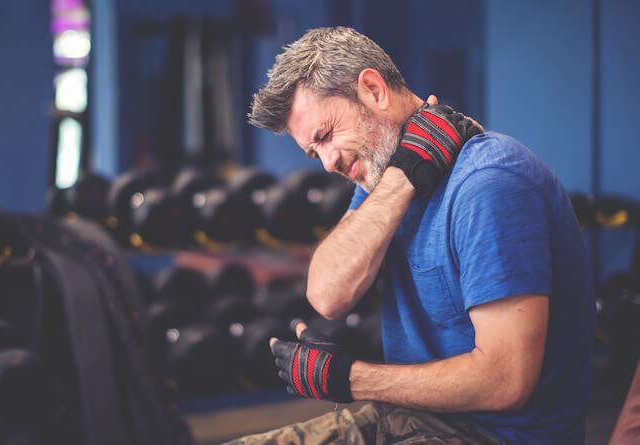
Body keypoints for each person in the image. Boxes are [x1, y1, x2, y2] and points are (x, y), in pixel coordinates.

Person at [227, 26, 595, 444]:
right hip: (412, 421)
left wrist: (351, 379)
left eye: (326, 136)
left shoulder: (490, 183)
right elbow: (327, 296)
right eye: (314, 153)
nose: (327, 163)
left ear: (373, 90)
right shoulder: (386, 177)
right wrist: (401, 180)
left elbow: (506, 381)